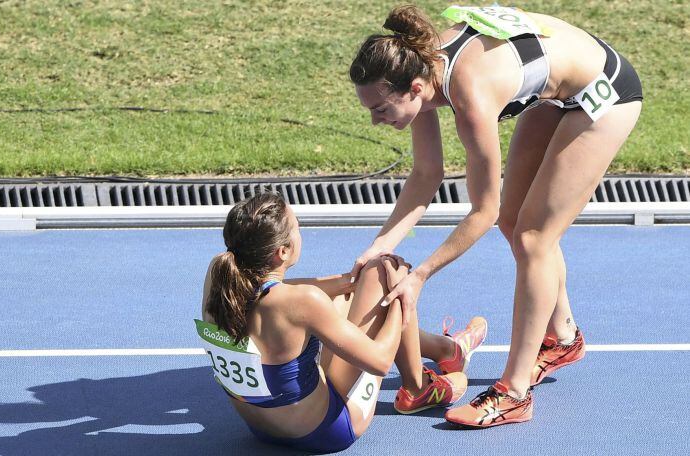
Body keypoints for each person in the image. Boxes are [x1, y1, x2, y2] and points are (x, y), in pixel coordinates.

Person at [349, 4, 642, 427]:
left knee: (532, 238)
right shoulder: (420, 69)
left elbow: (483, 211)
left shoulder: (470, 94)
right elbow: (427, 174)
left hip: (606, 92)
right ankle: (562, 337)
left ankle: (515, 393)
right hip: (556, 91)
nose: (376, 121)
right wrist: (381, 245)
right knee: (516, 222)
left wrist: (420, 275)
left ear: (414, 89)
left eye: (380, 109)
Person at [198, 192, 487, 452]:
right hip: (327, 431)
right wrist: (401, 296)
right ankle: (418, 387)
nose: (300, 233)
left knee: (341, 300)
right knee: (382, 271)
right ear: (282, 251)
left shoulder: (220, 274)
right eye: (296, 228)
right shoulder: (303, 302)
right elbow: (380, 362)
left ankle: (445, 350)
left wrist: (343, 283)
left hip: (262, 429)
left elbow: (276, 292)